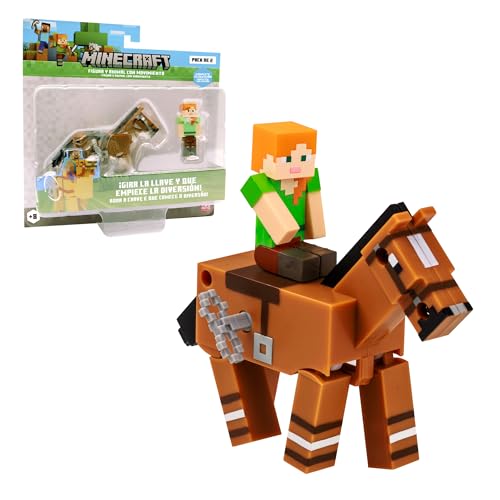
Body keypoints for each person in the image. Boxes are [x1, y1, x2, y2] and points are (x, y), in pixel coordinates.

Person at [241, 122, 336, 282]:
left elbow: (315, 209)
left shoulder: (309, 179)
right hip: (269, 244)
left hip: (297, 240)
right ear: (266, 160)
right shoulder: (258, 182)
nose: (296, 165)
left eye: (304, 158)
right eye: (288, 159)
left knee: (325, 260)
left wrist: (315, 228)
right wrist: (285, 229)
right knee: (305, 265)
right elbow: (270, 212)